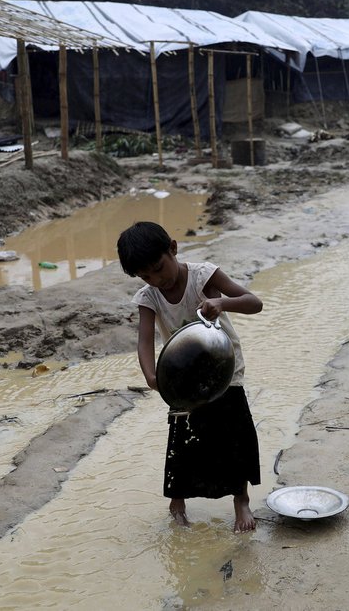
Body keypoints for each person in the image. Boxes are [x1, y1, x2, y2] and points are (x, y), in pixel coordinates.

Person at [117, 221, 263, 533]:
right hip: (183, 378)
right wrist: (151, 375)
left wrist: (222, 302)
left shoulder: (203, 275)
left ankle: (241, 499)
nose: (157, 280)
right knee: (181, 441)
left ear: (173, 248)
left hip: (224, 369)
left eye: (159, 269)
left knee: (233, 436)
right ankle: (177, 501)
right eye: (146, 276)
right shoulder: (149, 297)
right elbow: (144, 341)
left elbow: (254, 303)